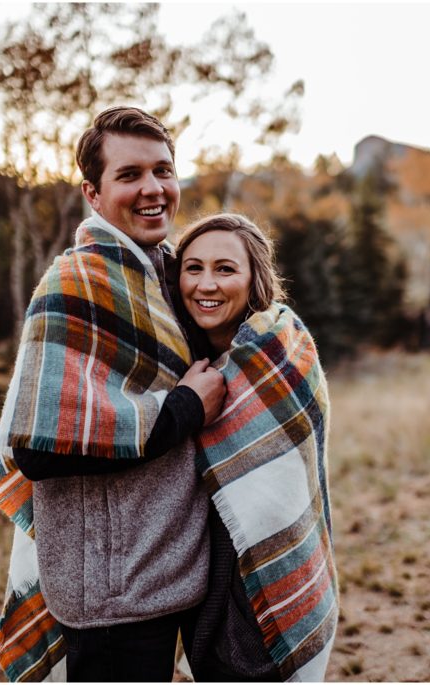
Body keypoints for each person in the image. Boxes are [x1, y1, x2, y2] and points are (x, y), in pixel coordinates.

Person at [0, 106, 226, 682]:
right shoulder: (75, 285)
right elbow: (39, 449)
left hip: (170, 568)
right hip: (113, 594)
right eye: (130, 175)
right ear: (92, 194)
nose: (153, 189)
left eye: (163, 170)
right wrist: (185, 408)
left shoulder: (170, 276)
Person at [174, 214, 339, 682]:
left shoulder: (278, 351)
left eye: (225, 269)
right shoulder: (178, 359)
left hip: (263, 568)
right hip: (196, 564)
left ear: (254, 279)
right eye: (193, 268)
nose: (206, 284)